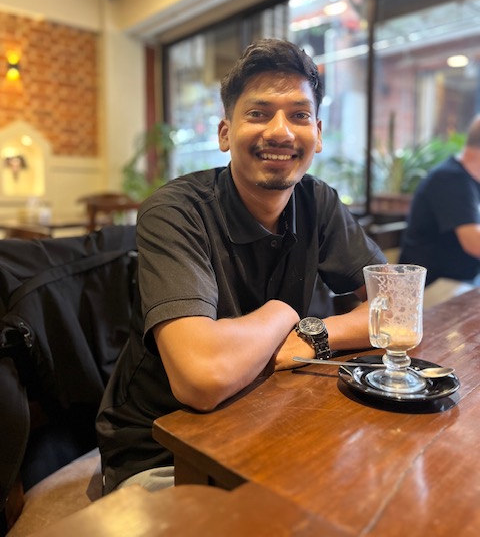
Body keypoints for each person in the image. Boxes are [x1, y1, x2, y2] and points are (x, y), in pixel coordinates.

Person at [96, 38, 386, 495]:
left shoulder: (318, 202)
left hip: (272, 421)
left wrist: (314, 336)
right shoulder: (176, 211)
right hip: (164, 449)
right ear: (225, 134)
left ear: (317, 133)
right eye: (258, 113)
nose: (281, 132)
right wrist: (283, 313)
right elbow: (202, 378)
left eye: (299, 115)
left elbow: (396, 309)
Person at [399, 115, 480, 285]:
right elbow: (474, 243)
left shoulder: (468, 179)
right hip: (431, 285)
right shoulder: (450, 179)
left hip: (460, 280)